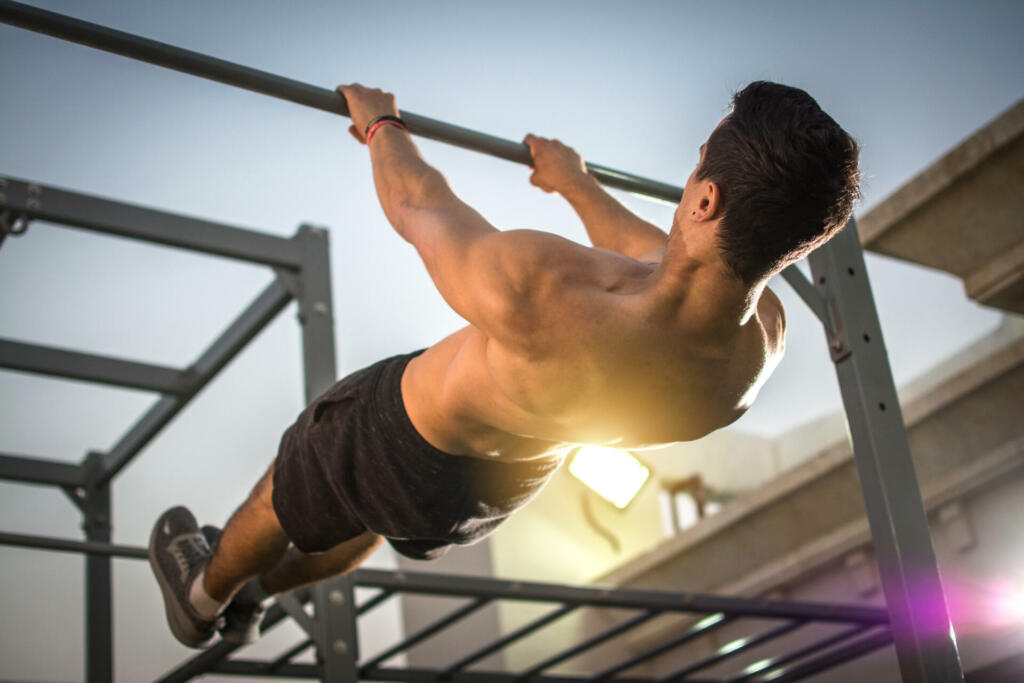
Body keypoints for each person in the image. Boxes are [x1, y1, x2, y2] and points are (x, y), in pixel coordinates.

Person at [149, 81, 860, 648]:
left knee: (290, 485)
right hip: (492, 491)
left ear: (705, 197)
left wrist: (380, 126)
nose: (688, 179)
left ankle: (205, 593)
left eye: (697, 162)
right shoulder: (758, 346)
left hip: (401, 431)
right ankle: (256, 598)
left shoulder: (544, 290)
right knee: (362, 517)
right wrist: (574, 184)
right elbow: (661, 255)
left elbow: (419, 206)